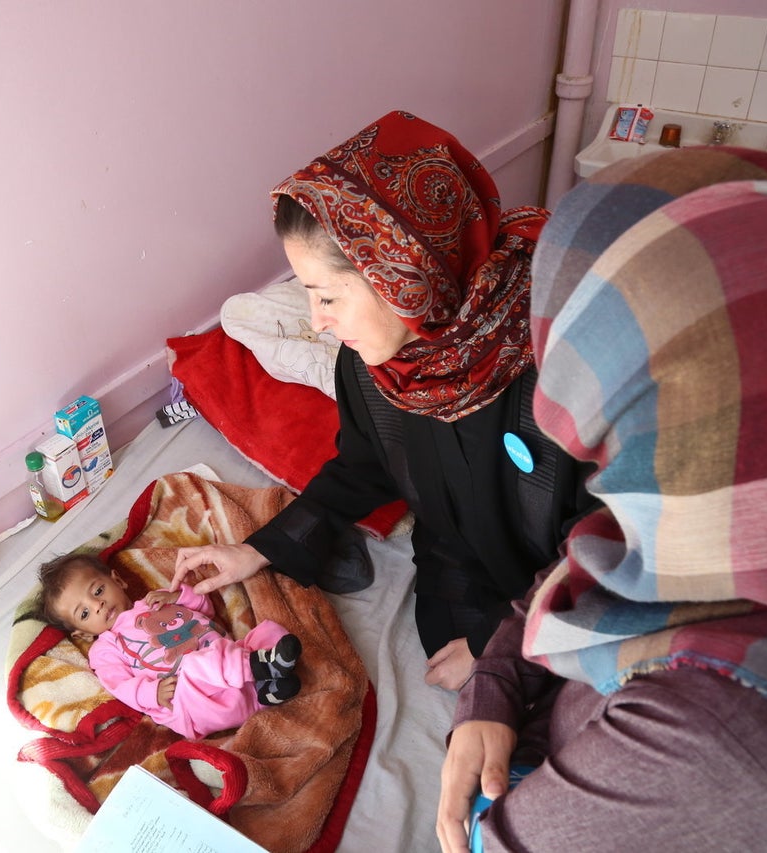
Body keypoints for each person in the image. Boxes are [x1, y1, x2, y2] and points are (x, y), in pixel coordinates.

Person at [435, 147, 767, 852]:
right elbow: (588, 557)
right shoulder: (745, 502)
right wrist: (494, 684)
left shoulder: (719, 726)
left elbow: (491, 837)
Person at [172, 110, 598, 688]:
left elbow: (611, 535)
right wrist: (261, 550)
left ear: (405, 272)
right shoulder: (376, 369)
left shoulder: (562, 357)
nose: (317, 322)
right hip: (459, 573)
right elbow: (363, 467)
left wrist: (497, 639)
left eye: (327, 297)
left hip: (567, 588)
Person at [37, 553, 303, 740]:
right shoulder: (105, 647)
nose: (98, 605)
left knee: (270, 630)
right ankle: (263, 666)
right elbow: (119, 685)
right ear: (82, 634)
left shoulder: (156, 600)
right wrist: (152, 694)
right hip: (192, 701)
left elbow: (206, 613)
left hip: (235, 676)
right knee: (196, 664)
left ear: (118, 581)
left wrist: (179, 596)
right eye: (84, 614)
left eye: (97, 591)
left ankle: (266, 691)